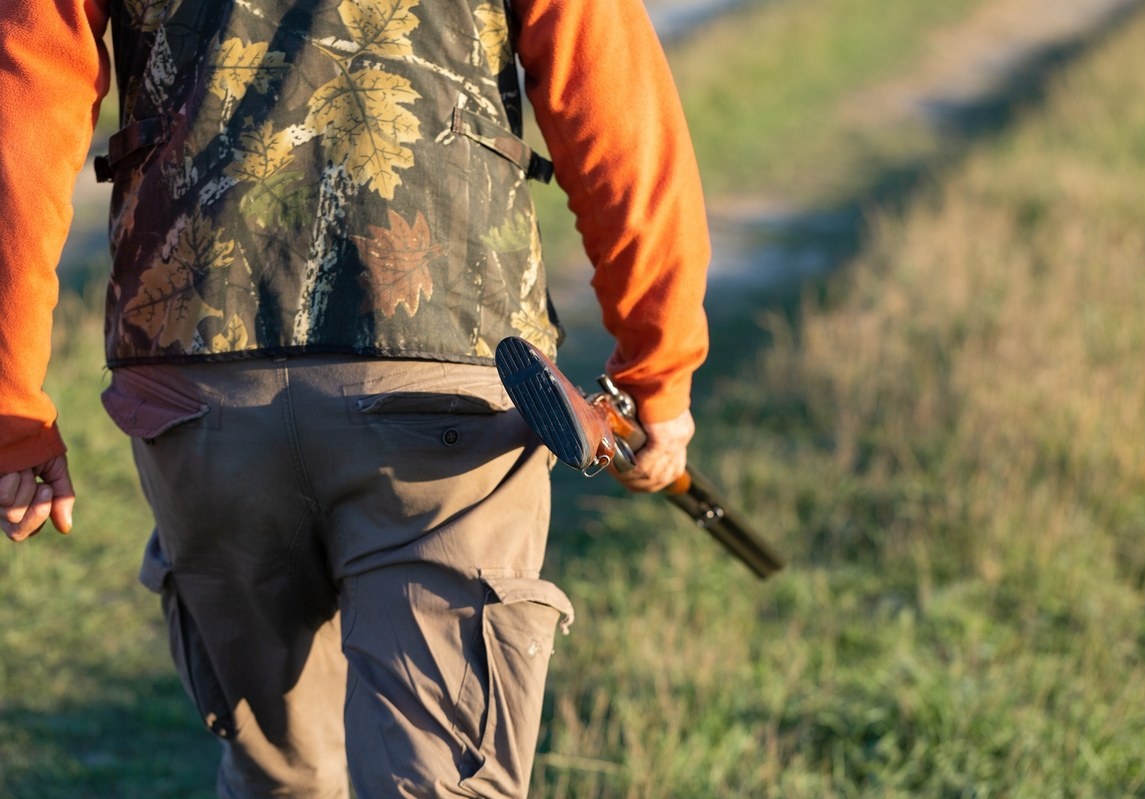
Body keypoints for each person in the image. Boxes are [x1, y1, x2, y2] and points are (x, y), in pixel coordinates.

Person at [0, 0, 709, 795]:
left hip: (197, 372)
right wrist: (657, 368)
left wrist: (11, 407)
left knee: (281, 776)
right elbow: (615, 108)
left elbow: (24, 103)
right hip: (443, 364)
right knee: (440, 776)